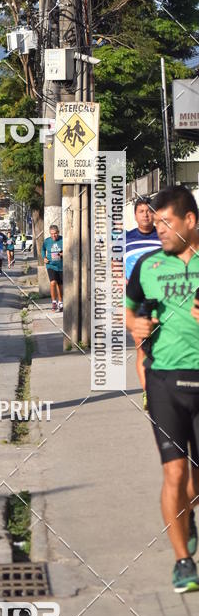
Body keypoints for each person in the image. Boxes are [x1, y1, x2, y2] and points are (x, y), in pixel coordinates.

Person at [126, 185, 199, 593]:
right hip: (164, 380)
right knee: (173, 473)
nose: (159, 232)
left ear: (190, 220)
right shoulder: (149, 266)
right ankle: (183, 560)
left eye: (167, 224)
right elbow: (130, 310)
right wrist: (136, 327)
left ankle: (186, 520)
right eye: (156, 225)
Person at [126, 198, 162, 410]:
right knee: (142, 349)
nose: (146, 215)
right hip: (137, 302)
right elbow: (116, 266)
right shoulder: (127, 239)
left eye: (149, 211)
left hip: (163, 302)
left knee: (160, 349)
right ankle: (148, 393)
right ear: (135, 214)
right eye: (141, 211)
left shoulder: (163, 236)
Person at [42, 225, 63, 311]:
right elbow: (43, 249)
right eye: (52, 234)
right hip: (51, 265)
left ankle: (60, 302)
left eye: (55, 234)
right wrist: (44, 257)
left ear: (58, 232)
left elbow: (68, 248)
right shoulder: (47, 241)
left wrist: (62, 253)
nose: (53, 236)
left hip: (61, 265)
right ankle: (54, 302)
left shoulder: (63, 240)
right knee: (53, 282)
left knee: (60, 285)